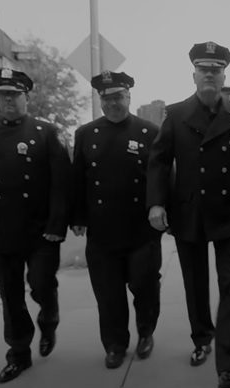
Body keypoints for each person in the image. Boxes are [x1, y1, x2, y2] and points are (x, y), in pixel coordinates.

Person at [146, 41, 230, 388]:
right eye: (204, 69)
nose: (210, 74)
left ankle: (228, 367)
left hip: (229, 212)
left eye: (216, 69)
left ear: (224, 75)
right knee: (195, 284)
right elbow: (159, 161)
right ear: (193, 74)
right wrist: (156, 203)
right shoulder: (176, 113)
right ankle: (202, 338)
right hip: (189, 211)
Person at [0, 68, 71, 384]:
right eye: (2, 95)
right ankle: (19, 353)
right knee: (10, 296)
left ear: (26, 97)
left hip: (41, 231)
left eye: (14, 95)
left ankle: (49, 316)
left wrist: (57, 225)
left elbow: (62, 184)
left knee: (41, 284)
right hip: (3, 230)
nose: (8, 100)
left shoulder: (47, 132)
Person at [70, 71, 162, 369]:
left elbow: (160, 177)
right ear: (100, 100)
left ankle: (146, 332)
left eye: (118, 97)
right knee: (108, 294)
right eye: (106, 98)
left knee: (145, 287)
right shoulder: (86, 134)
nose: (112, 103)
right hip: (102, 230)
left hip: (141, 229)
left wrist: (160, 209)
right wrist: (78, 216)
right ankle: (114, 344)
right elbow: (78, 178)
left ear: (129, 96)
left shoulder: (149, 131)